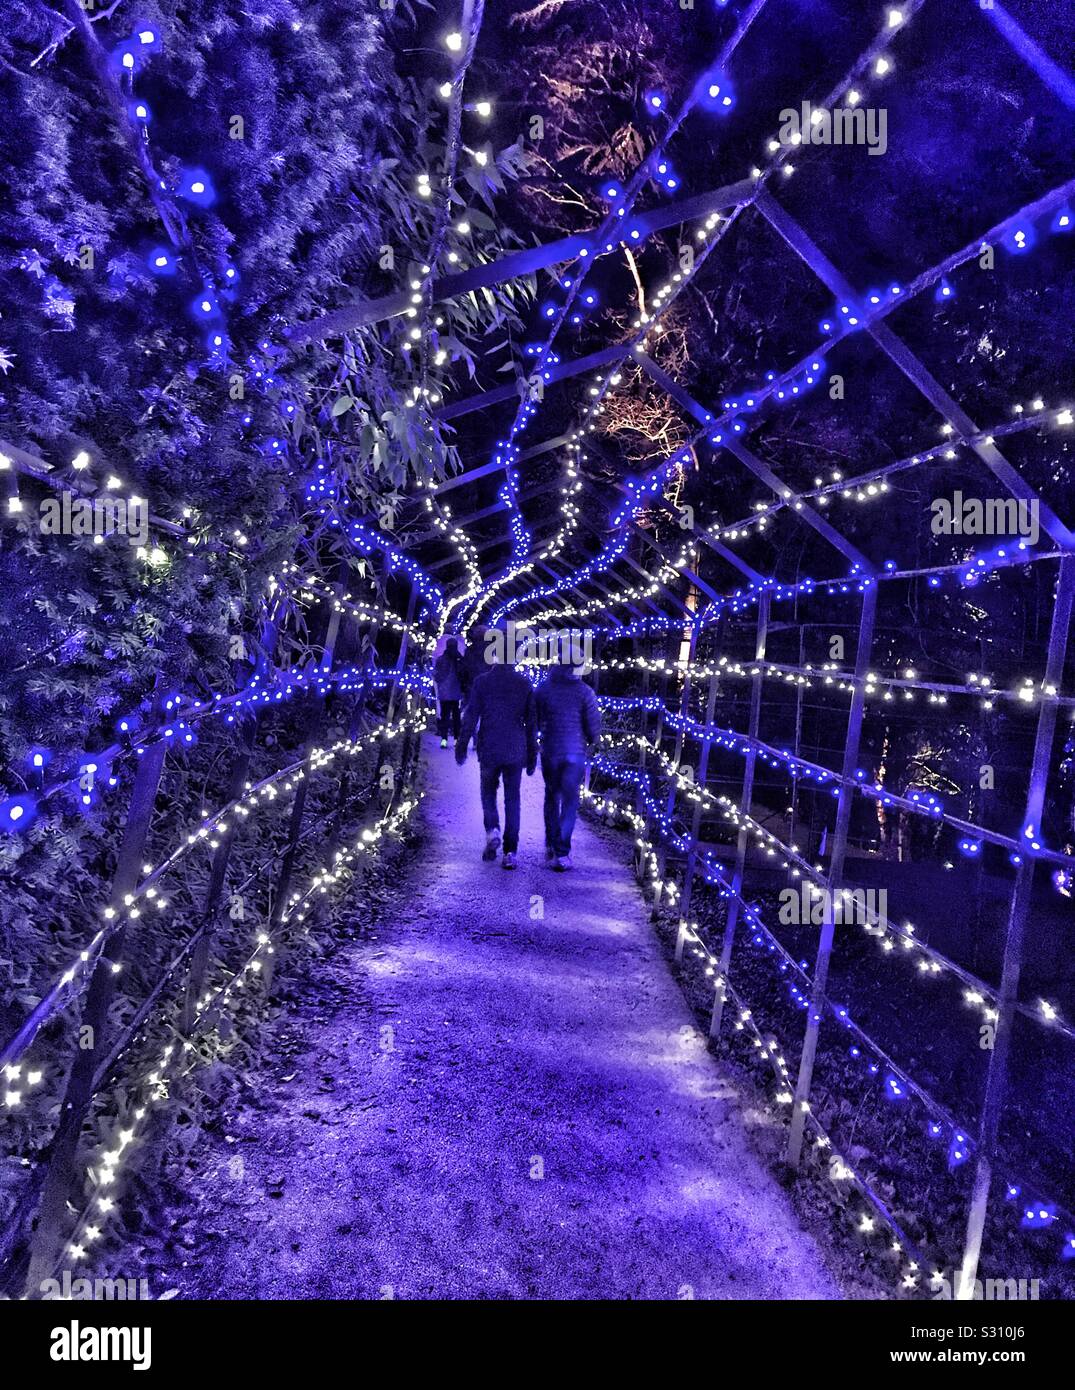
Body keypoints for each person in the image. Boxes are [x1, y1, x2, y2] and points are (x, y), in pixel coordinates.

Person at [455, 648, 536, 870]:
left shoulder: (482, 682)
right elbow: (532, 723)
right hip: (515, 749)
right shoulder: (524, 684)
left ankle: (492, 830)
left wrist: (462, 745)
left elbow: (471, 715)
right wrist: (532, 754)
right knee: (513, 799)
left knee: (488, 792)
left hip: (490, 746)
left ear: (496, 657)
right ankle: (510, 851)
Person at [535, 659, 601, 871]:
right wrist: (593, 740)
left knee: (551, 797)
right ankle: (562, 852)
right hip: (575, 752)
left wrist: (540, 736)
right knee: (570, 801)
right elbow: (593, 725)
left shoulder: (544, 688)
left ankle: (551, 843)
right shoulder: (585, 692)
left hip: (551, 750)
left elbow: (535, 716)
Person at [433, 637, 464, 748]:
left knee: (445, 716)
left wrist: (441, 682)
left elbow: (436, 674)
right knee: (456, 717)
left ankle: (444, 739)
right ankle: (456, 739)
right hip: (456, 692)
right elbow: (463, 674)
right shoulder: (459, 660)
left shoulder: (441, 659)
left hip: (444, 692)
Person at [459, 623, 488, 701]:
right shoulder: (492, 649)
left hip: (472, 684)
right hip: (488, 684)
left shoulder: (469, 650)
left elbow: (464, 668)